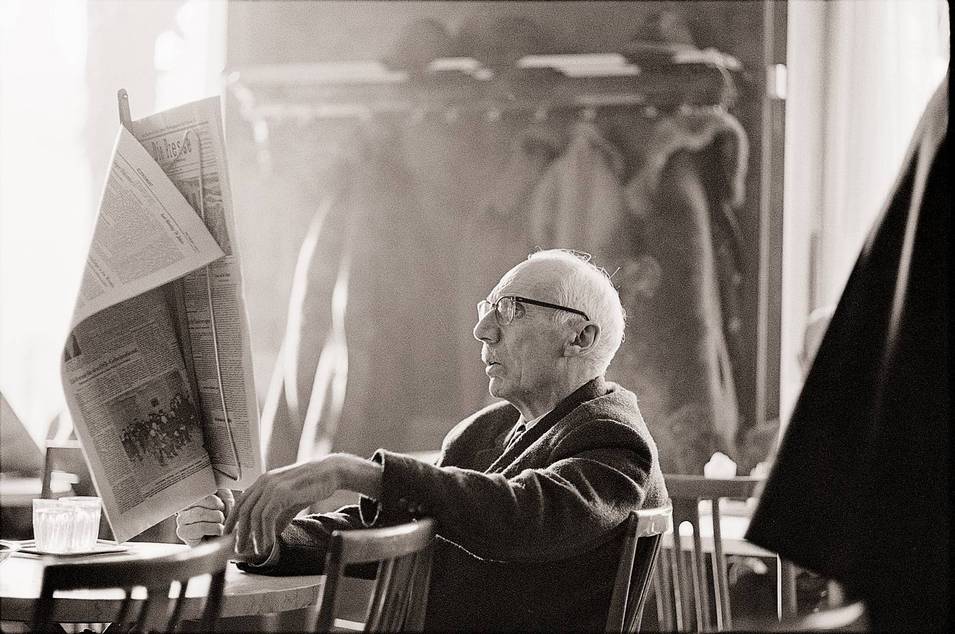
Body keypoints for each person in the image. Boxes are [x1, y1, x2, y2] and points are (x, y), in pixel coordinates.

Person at [176, 248, 668, 631]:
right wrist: (255, 535)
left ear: (579, 338)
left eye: (510, 309)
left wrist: (351, 471)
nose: (482, 329)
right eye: (487, 307)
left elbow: (523, 518)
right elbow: (389, 531)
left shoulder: (613, 436)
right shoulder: (487, 431)